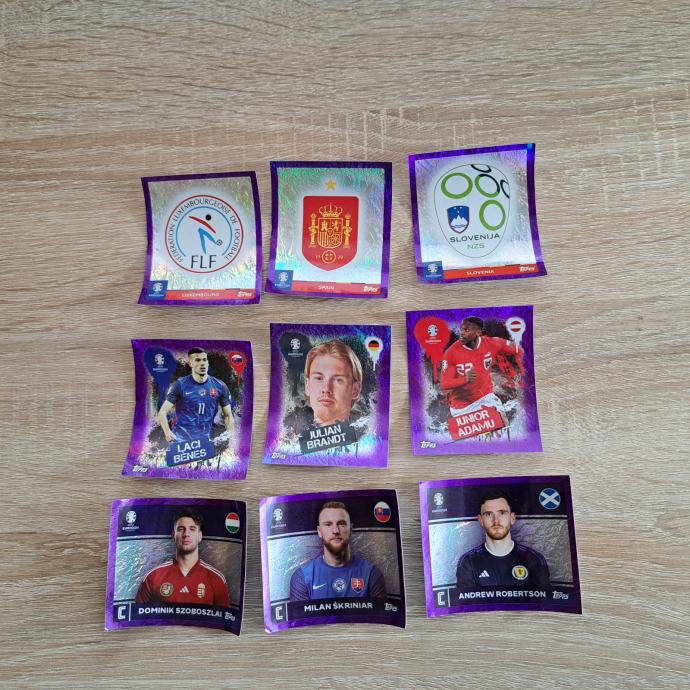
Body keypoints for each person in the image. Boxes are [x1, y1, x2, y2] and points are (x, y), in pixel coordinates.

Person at [289, 501, 386, 601]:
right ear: (319, 531)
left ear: (350, 529)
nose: (335, 531)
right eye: (328, 524)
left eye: (341, 524)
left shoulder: (371, 574)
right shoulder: (302, 577)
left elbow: (380, 611)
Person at [456, 490, 550, 590]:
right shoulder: (468, 562)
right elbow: (465, 600)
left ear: (512, 518)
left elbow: (543, 599)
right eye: (489, 514)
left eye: (502, 513)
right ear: (481, 520)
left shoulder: (534, 560)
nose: (496, 521)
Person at [136, 508, 230, 606]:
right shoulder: (153, 577)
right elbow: (138, 614)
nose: (186, 534)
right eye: (181, 529)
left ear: (200, 536)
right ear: (173, 535)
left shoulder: (216, 578)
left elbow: (224, 615)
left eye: (192, 529)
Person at [440, 316, 522, 421]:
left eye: (467, 330)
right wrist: (465, 379)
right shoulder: (451, 353)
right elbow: (444, 384)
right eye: (461, 330)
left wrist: (521, 369)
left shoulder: (491, 343)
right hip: (461, 407)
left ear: (478, 332)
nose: (462, 333)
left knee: (503, 425)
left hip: (486, 398)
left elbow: (518, 349)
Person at [158, 347, 233, 444]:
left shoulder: (220, 386)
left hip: (205, 440)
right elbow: (163, 412)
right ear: (190, 363)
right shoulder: (180, 385)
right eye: (197, 360)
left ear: (208, 363)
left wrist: (229, 436)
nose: (202, 363)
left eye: (204, 360)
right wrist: (167, 432)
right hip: (181, 439)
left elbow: (228, 415)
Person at [303, 340, 362, 427]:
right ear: (307, 386)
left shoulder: (371, 434)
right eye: (319, 378)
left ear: (355, 390)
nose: (326, 389)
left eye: (338, 380)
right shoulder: (287, 434)